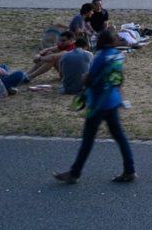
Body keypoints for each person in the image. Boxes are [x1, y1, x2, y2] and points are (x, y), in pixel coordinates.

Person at [54, 30, 136, 184]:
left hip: (98, 102)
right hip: (112, 99)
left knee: (88, 139)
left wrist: (84, 79)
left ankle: (74, 173)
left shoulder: (100, 58)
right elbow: (119, 78)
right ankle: (129, 169)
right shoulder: (118, 56)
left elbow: (89, 79)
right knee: (119, 136)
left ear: (101, 42)